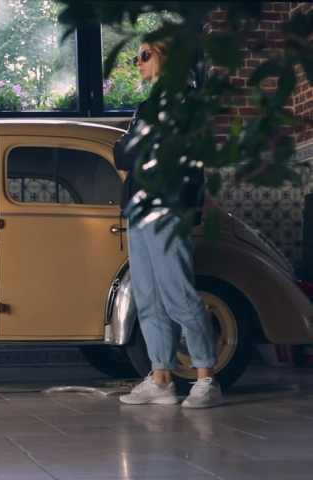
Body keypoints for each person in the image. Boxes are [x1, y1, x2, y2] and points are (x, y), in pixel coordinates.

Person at [115, 40, 223, 409]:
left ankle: (207, 378)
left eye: (145, 54)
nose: (137, 62)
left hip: (169, 208)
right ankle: (161, 378)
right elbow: (123, 153)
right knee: (147, 297)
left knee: (178, 292)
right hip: (138, 209)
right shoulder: (147, 106)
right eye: (137, 56)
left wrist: (140, 143)